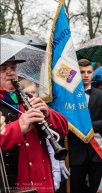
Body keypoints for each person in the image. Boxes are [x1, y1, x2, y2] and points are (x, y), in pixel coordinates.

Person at [0, 57, 68, 192]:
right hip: (14, 185)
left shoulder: (28, 98)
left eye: (13, 68)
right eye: (3, 69)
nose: (10, 73)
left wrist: (48, 114)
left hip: (42, 182)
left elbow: (64, 129)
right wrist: (18, 127)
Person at [67, 59, 102, 193]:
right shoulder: (68, 97)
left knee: (96, 189)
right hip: (75, 152)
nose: (86, 75)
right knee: (76, 189)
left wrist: (83, 126)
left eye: (89, 72)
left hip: (96, 152)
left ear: (92, 74)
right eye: (82, 72)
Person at [19, 79, 65, 192]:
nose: (31, 96)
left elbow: (63, 129)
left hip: (46, 169)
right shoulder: (16, 109)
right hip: (25, 174)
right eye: (27, 94)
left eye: (34, 92)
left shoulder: (42, 107)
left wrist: (48, 114)